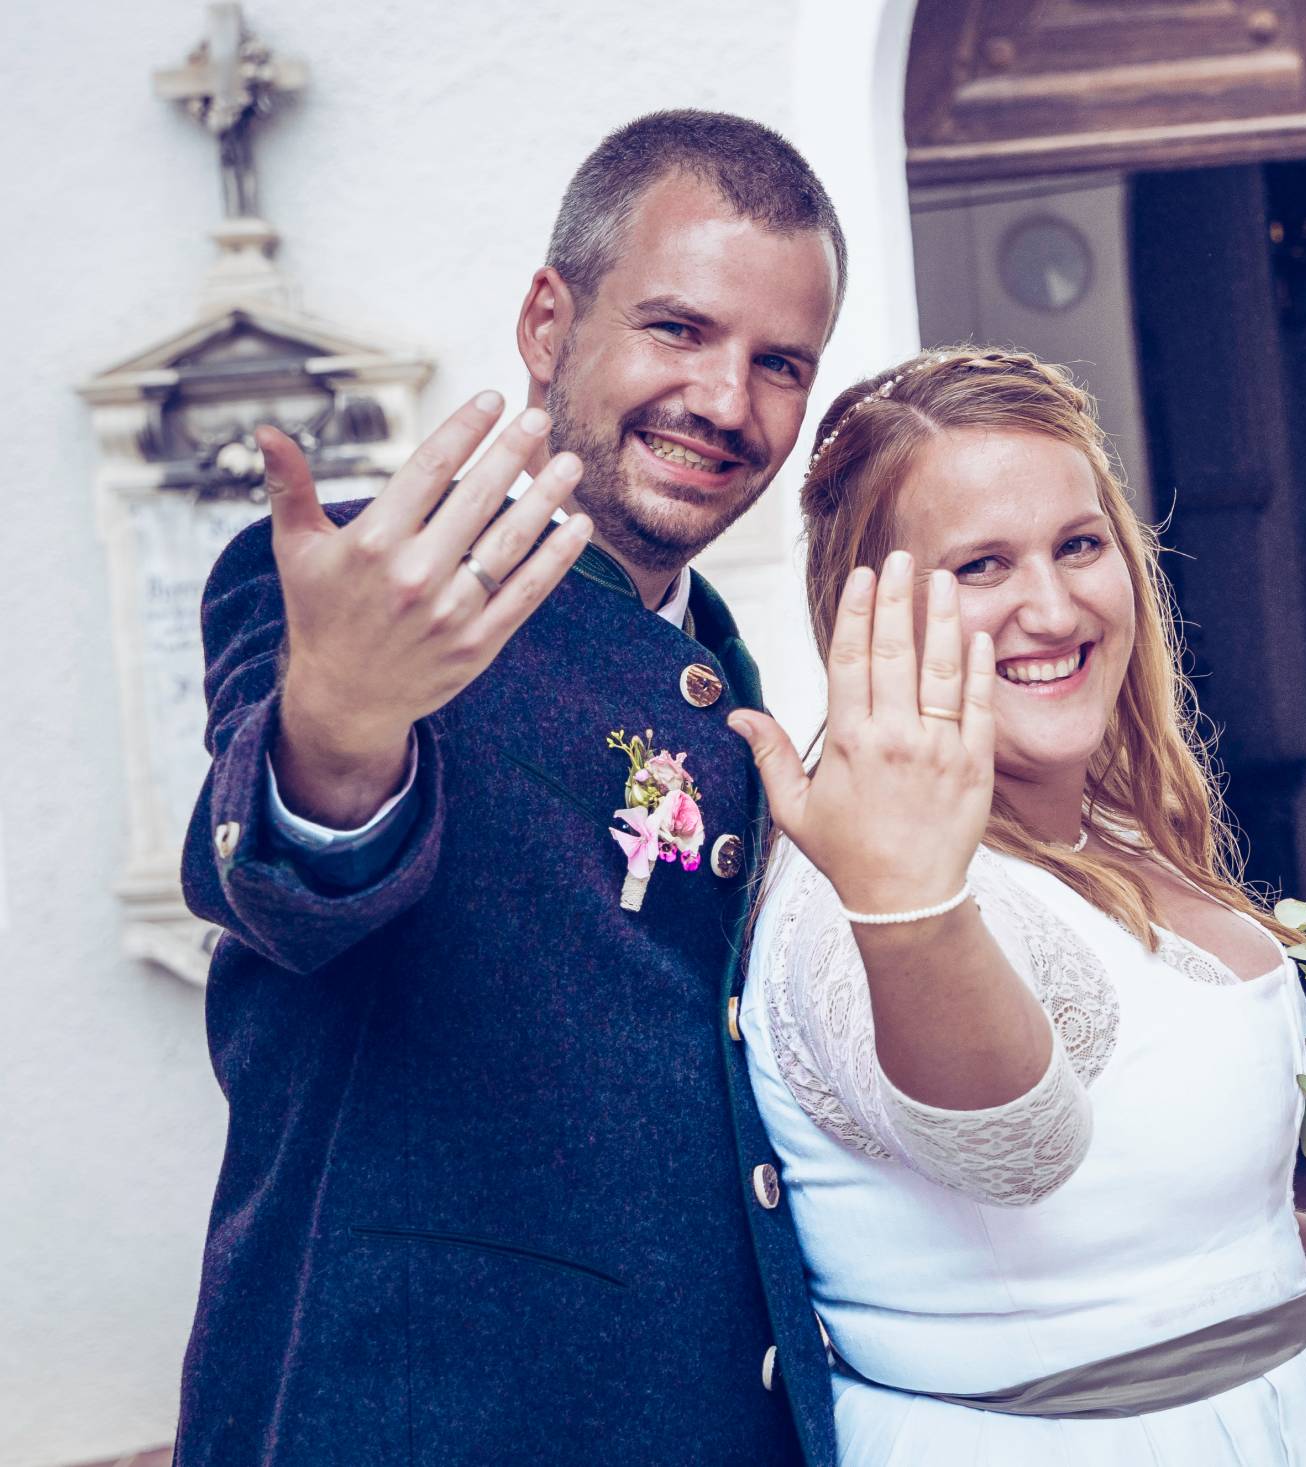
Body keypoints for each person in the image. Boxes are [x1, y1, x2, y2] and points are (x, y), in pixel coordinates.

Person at [729, 348, 1306, 1465]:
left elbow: (1135, 1219)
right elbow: (1012, 1149)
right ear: (868, 610)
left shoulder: (1115, 829)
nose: (1052, 606)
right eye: (982, 565)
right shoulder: (854, 892)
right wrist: (906, 900)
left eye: (1078, 544)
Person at [177, 111, 843, 1464]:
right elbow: (293, 876)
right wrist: (341, 723)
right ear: (550, 322)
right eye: (678, 329)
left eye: (779, 363)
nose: (728, 402)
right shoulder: (365, 589)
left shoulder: (729, 683)